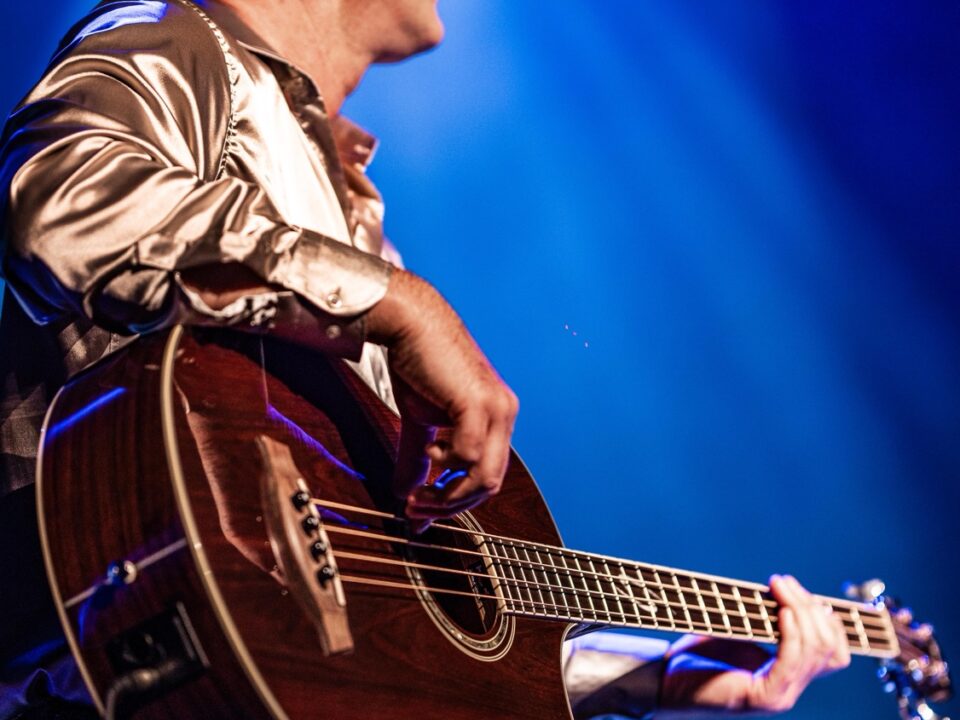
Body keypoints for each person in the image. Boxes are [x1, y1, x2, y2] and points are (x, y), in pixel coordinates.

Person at [0, 1, 850, 718]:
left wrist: (660, 674)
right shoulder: (174, 40)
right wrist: (401, 306)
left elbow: (394, 620)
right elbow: (62, 206)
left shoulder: (356, 218)